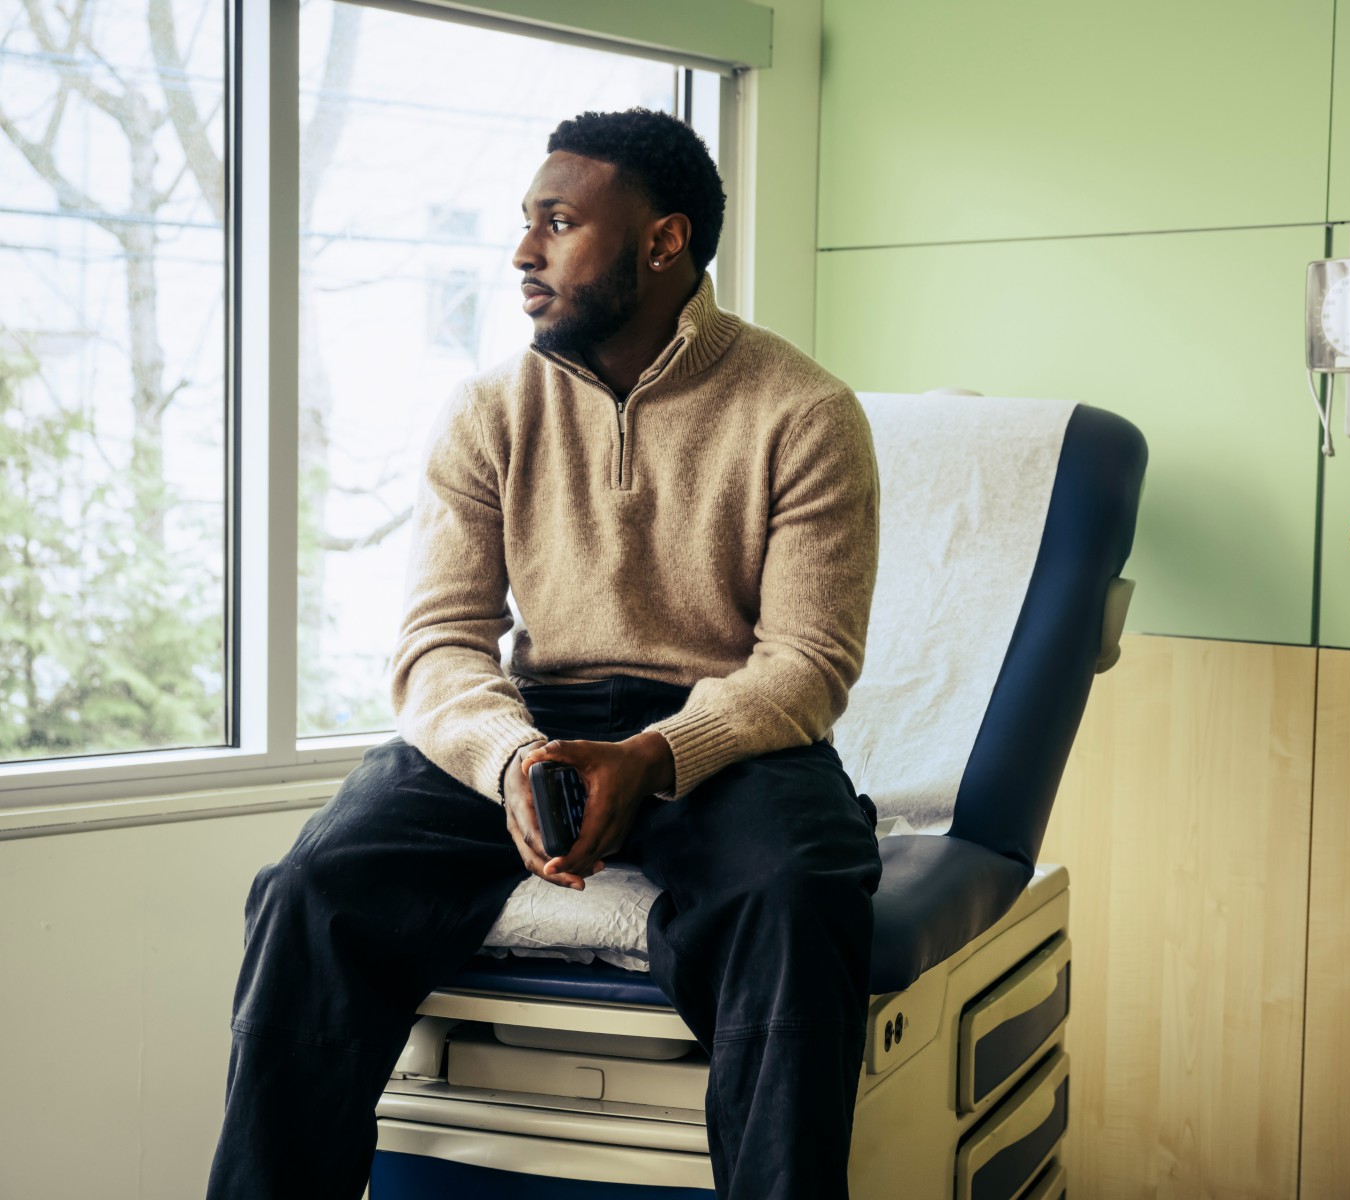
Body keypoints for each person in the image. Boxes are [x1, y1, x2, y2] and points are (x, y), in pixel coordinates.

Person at [206, 107, 883, 1200]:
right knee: (310, 890)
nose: (524, 252)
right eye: (526, 224)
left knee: (800, 892)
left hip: (724, 735)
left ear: (663, 243)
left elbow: (807, 663)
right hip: (532, 719)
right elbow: (439, 644)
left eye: (558, 223)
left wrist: (659, 757)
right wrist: (517, 762)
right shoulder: (489, 410)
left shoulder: (803, 411)